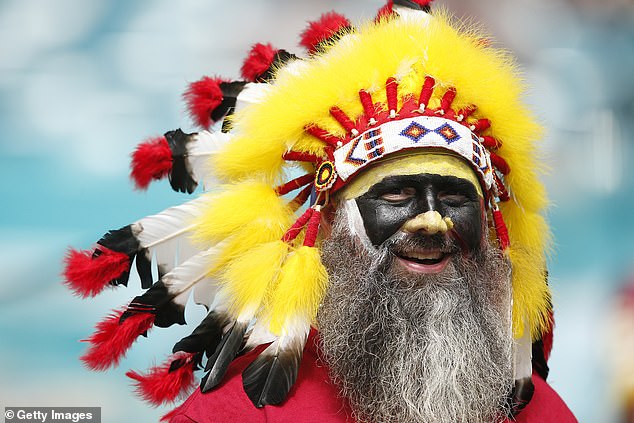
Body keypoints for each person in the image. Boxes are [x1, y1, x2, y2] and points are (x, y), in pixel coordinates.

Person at [63, 1, 576, 422]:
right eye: (395, 195)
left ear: (488, 222)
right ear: (332, 223)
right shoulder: (236, 414)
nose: (431, 222)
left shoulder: (543, 414)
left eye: (456, 199)